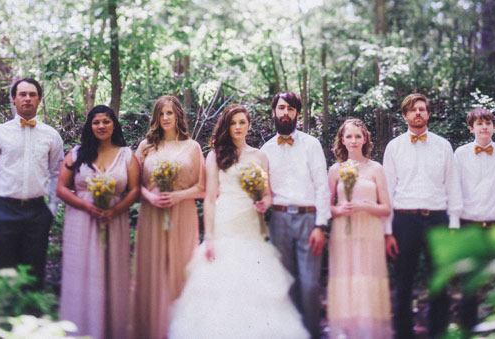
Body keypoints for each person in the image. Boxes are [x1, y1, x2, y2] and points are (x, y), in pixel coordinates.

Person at [168, 104, 308, 339]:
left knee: (254, 282)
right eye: (233, 123)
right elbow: (210, 199)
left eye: (242, 122)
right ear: (227, 126)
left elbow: (267, 194)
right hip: (225, 222)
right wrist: (209, 236)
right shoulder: (215, 155)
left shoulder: (260, 156)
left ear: (249, 125)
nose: (238, 127)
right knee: (224, 282)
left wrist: (265, 202)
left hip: (251, 224)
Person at [383, 93, 463, 339]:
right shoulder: (394, 147)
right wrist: (387, 231)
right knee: (403, 283)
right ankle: (403, 334)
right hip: (404, 220)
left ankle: (437, 333)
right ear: (405, 115)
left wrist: (454, 224)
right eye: (412, 110)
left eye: (422, 109)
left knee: (439, 283)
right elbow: (387, 191)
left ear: (428, 114)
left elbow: (453, 186)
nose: (418, 113)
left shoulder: (443, 146)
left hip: (437, 219)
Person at [56, 105, 140, 339]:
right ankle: (81, 331)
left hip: (115, 221)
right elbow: (61, 189)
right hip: (81, 222)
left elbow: (135, 190)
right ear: (90, 126)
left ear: (114, 124)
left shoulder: (127, 155)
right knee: (82, 272)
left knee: (112, 272)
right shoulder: (76, 154)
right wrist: (87, 206)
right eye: (96, 122)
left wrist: (116, 210)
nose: (101, 126)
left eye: (106, 121)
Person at [129, 95, 205, 339]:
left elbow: (202, 188)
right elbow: (134, 185)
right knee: (153, 270)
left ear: (178, 116)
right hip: (152, 214)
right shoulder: (145, 147)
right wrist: (149, 198)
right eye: (161, 114)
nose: (165, 118)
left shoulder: (192, 147)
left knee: (181, 269)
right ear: (155, 117)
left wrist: (178, 196)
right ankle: (152, 329)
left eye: (170, 113)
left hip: (182, 214)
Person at [0, 78, 63, 290]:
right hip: (5, 210)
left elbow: (57, 174)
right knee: (7, 272)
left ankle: (33, 318)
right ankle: (6, 318)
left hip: (37, 212)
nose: (27, 99)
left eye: (32, 94)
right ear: (14, 99)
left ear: (40, 99)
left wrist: (51, 209)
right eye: (23, 94)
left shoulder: (52, 136)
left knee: (35, 273)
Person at [261, 91, 330, 339]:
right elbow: (262, 190)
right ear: (274, 112)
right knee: (285, 284)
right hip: (278, 220)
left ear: (297, 114)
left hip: (309, 219)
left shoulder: (311, 144)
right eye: (281, 108)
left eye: (290, 109)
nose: (285, 113)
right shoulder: (265, 150)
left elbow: (323, 186)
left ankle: (312, 334)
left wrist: (321, 226)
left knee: (310, 286)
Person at [454, 107, 495, 330]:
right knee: (469, 284)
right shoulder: (460, 154)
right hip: (468, 227)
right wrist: (454, 224)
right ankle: (468, 330)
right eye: (479, 123)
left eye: (488, 123)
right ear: (471, 128)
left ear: (494, 127)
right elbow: (455, 192)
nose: (484, 127)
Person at [327, 119, 393, 339]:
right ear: (342, 140)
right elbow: (326, 207)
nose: (353, 141)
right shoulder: (336, 169)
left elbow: (386, 208)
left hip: (370, 230)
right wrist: (339, 209)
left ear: (365, 139)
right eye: (349, 136)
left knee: (368, 278)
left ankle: (369, 332)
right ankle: (346, 332)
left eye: (358, 136)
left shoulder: (376, 168)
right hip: (344, 232)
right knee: (346, 278)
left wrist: (367, 205)